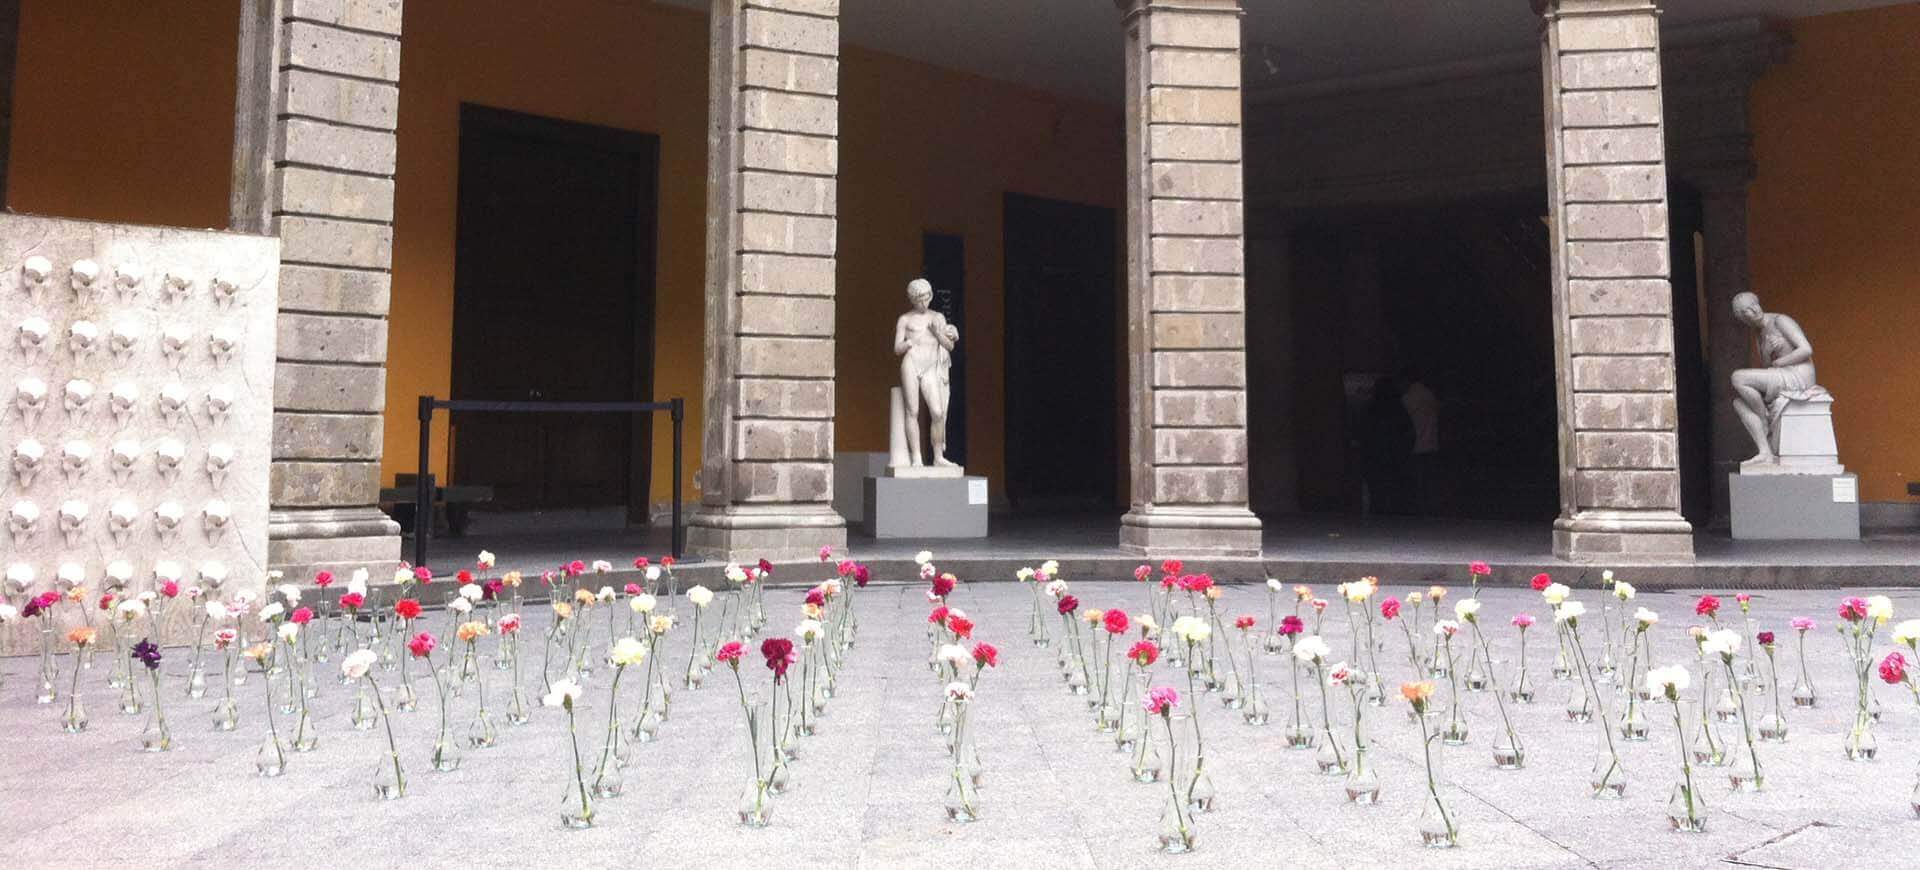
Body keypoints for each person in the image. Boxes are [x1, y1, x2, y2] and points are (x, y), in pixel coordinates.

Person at [1729, 291, 1816, 464]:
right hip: (1782, 375)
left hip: (1799, 374)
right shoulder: (1759, 333)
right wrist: (1768, 352)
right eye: (1747, 310)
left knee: (1737, 378)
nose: (1754, 310)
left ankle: (1763, 418)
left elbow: (1806, 349)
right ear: (1744, 318)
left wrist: (1780, 361)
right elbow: (1767, 368)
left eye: (1754, 304)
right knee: (1739, 403)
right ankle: (1765, 452)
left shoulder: (1780, 321)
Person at [893, 278, 959, 467]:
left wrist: (937, 333)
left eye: (926, 298)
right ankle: (916, 457)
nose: (923, 303)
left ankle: (938, 457)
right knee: (912, 410)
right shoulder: (905, 319)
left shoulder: (937, 317)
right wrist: (909, 343)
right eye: (919, 299)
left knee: (937, 412)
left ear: (931, 296)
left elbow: (950, 346)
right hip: (911, 363)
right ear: (912, 299)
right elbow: (897, 349)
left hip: (931, 366)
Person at [1400, 369, 1440, 514]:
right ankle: (1432, 508)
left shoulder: (1407, 398)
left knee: (1417, 481)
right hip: (1431, 444)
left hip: (1415, 445)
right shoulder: (1430, 395)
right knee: (1430, 481)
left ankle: (1419, 509)